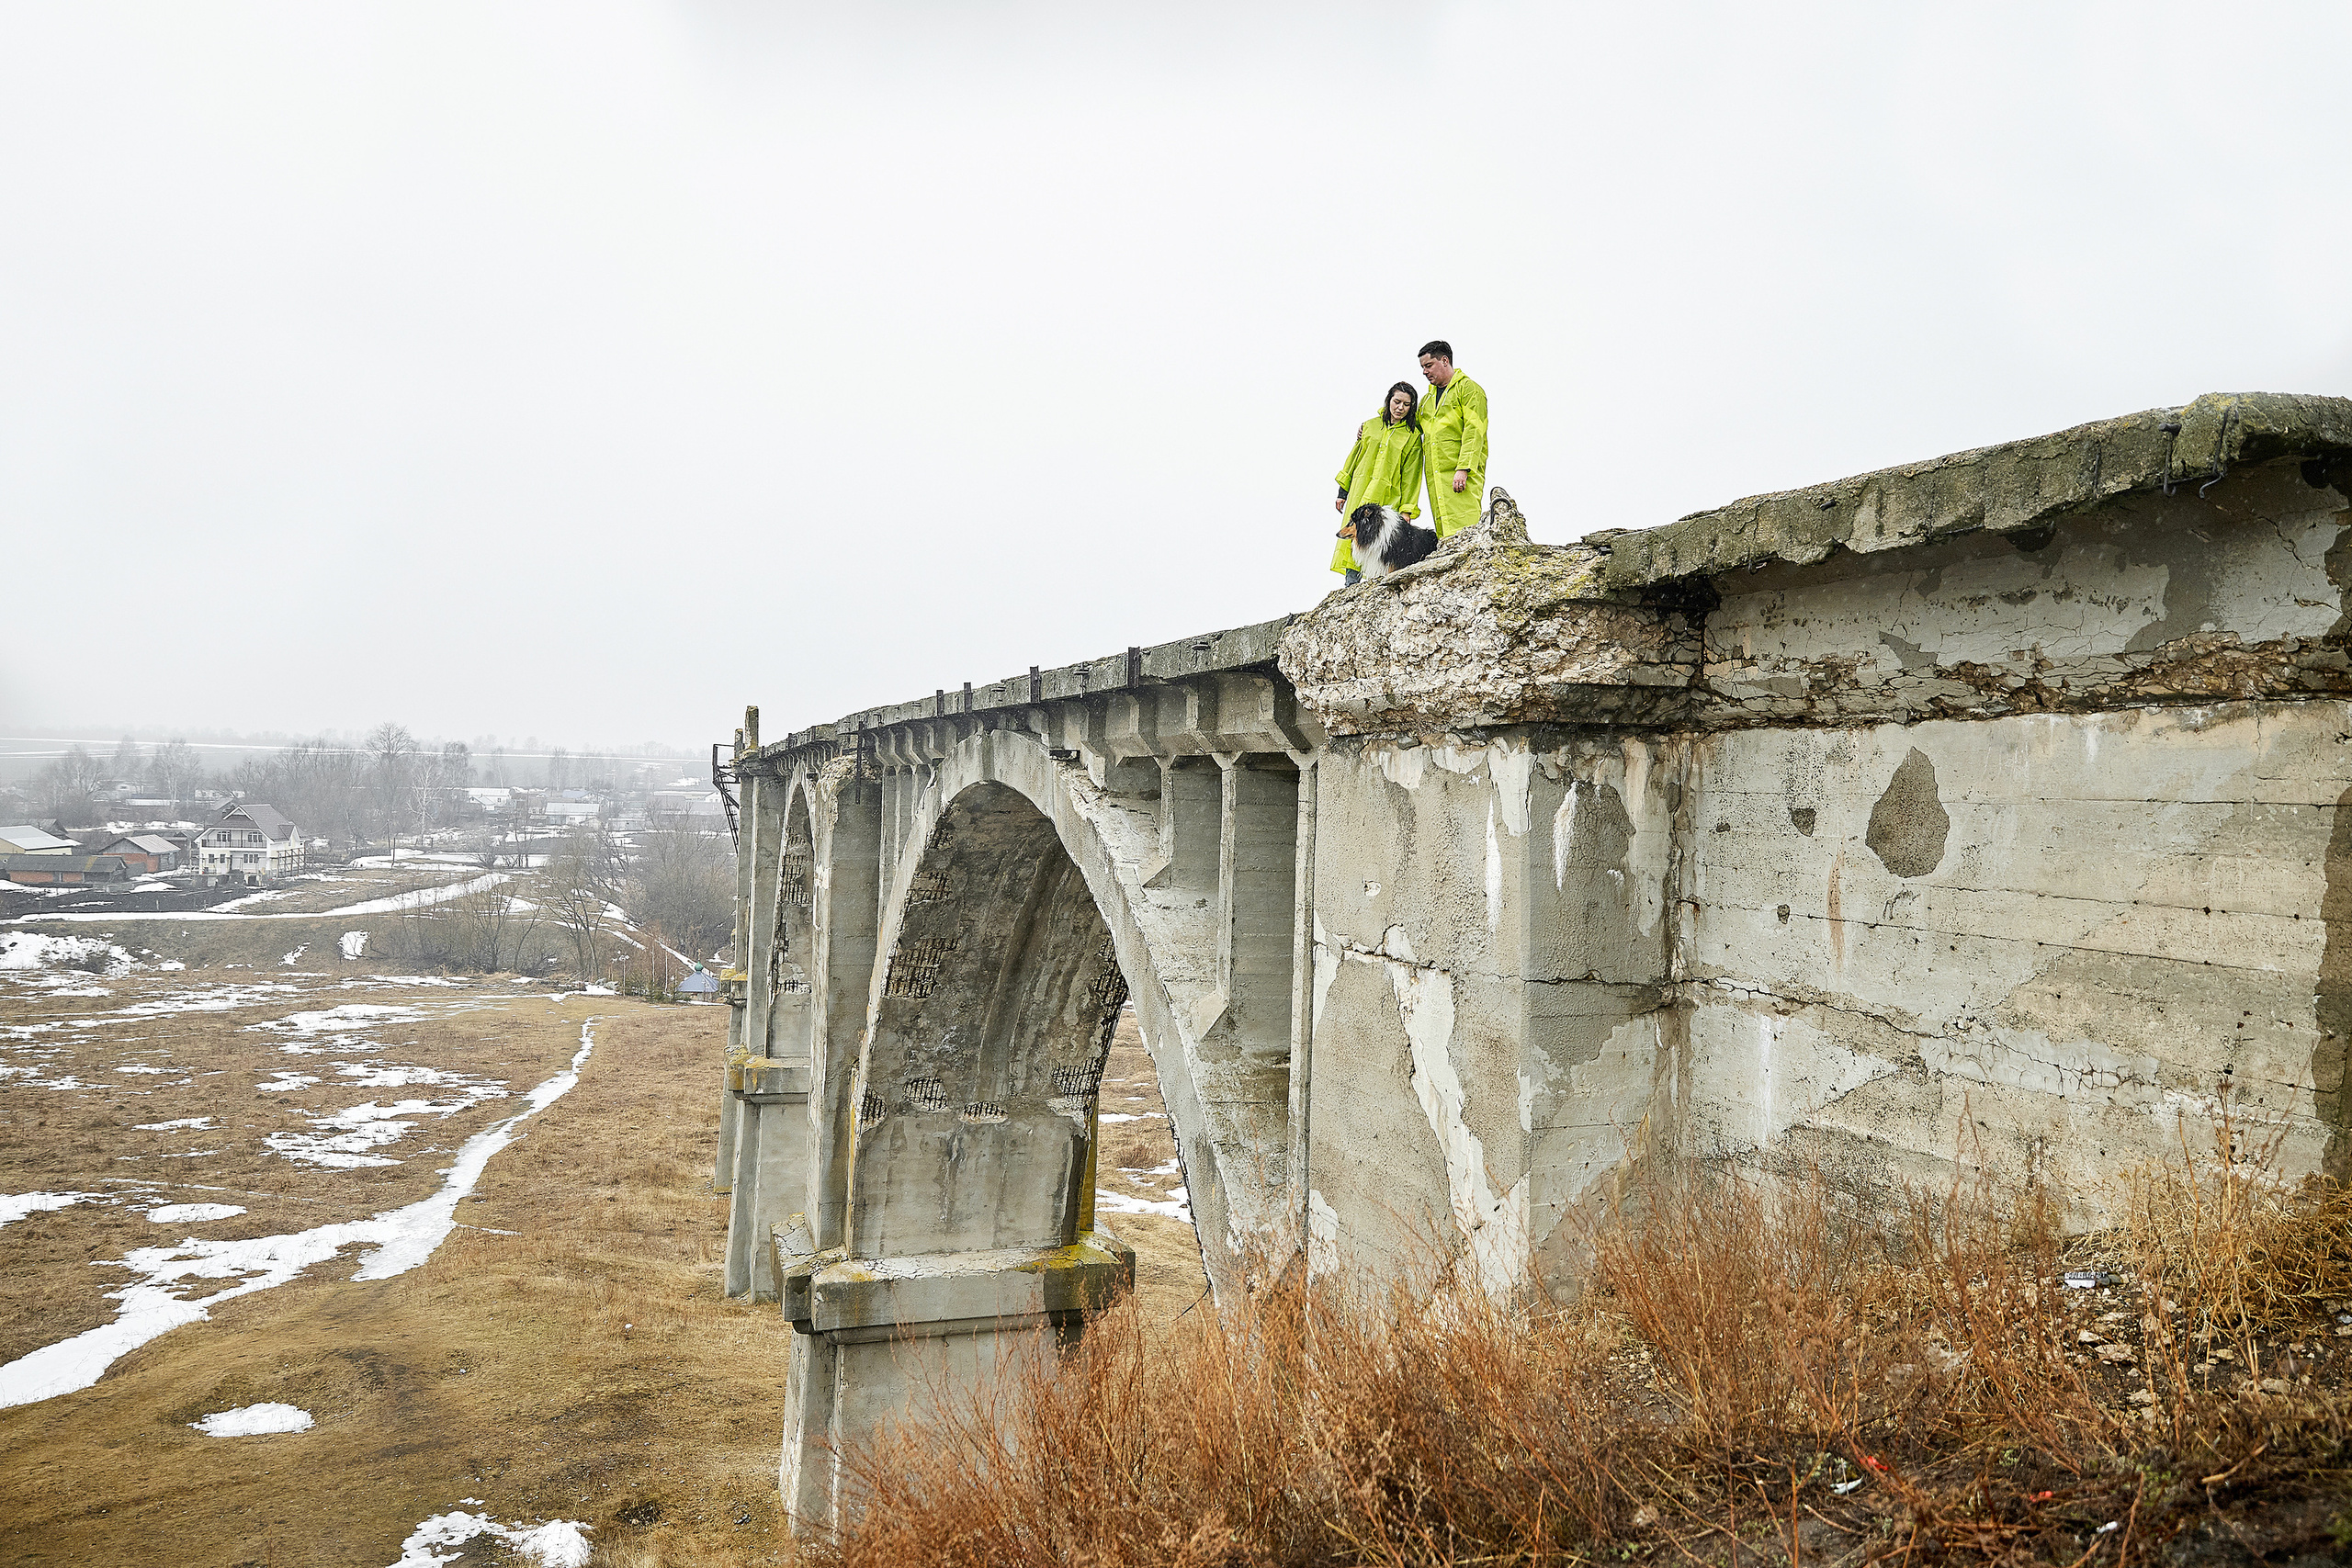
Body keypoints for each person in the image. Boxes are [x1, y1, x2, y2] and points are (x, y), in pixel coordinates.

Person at [1330, 381, 1427, 584]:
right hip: (1359, 493)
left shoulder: (1412, 436)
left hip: (1387, 502)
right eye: (1397, 401)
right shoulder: (1370, 426)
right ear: (1389, 400)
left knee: (1380, 548)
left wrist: (1407, 509)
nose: (1400, 408)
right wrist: (1343, 491)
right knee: (1353, 543)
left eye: (1406, 404)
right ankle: (1351, 588)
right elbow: (1354, 459)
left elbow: (1412, 475)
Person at [1416, 340, 1488, 538]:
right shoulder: (1427, 400)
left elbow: (1474, 431)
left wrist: (1463, 469)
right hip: (1436, 478)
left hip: (1461, 475)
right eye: (1422, 367)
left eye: (1428, 365)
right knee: (1445, 535)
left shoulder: (1469, 389)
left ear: (1445, 360)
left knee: (1466, 530)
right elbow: (1408, 424)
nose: (1424, 372)